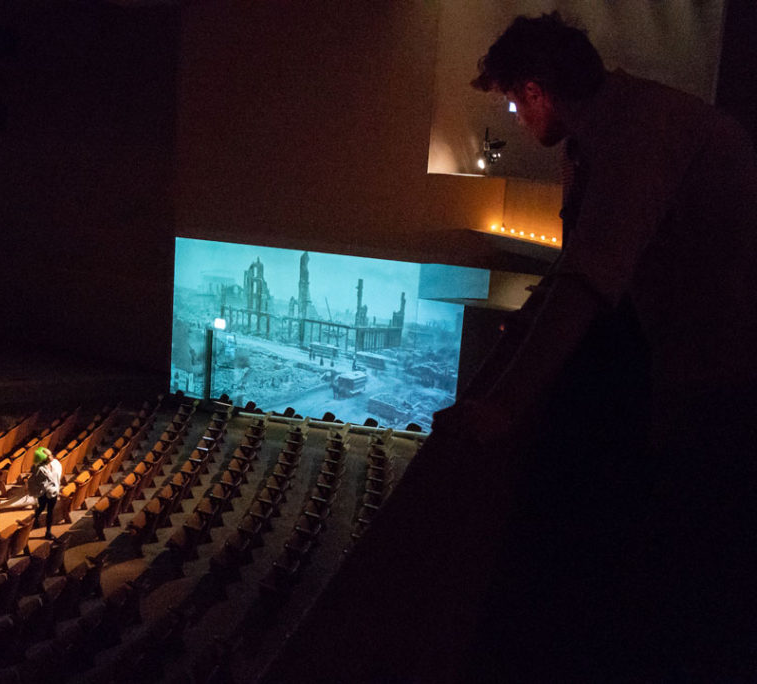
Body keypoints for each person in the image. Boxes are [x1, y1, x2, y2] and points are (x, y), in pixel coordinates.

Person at [263, 12, 757, 684]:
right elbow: (576, 273)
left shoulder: (637, 131)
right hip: (694, 368)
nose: (517, 118)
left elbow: (589, 277)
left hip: (727, 379)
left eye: (515, 102)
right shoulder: (600, 140)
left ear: (538, 88)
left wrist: (506, 404)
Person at [28, 446, 62, 539]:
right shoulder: (38, 469)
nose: (51, 457)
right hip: (43, 493)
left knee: (50, 512)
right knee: (41, 507)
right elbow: (37, 482)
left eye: (50, 455)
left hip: (53, 491)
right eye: (49, 456)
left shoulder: (55, 464)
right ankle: (34, 518)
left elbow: (57, 476)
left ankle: (48, 532)